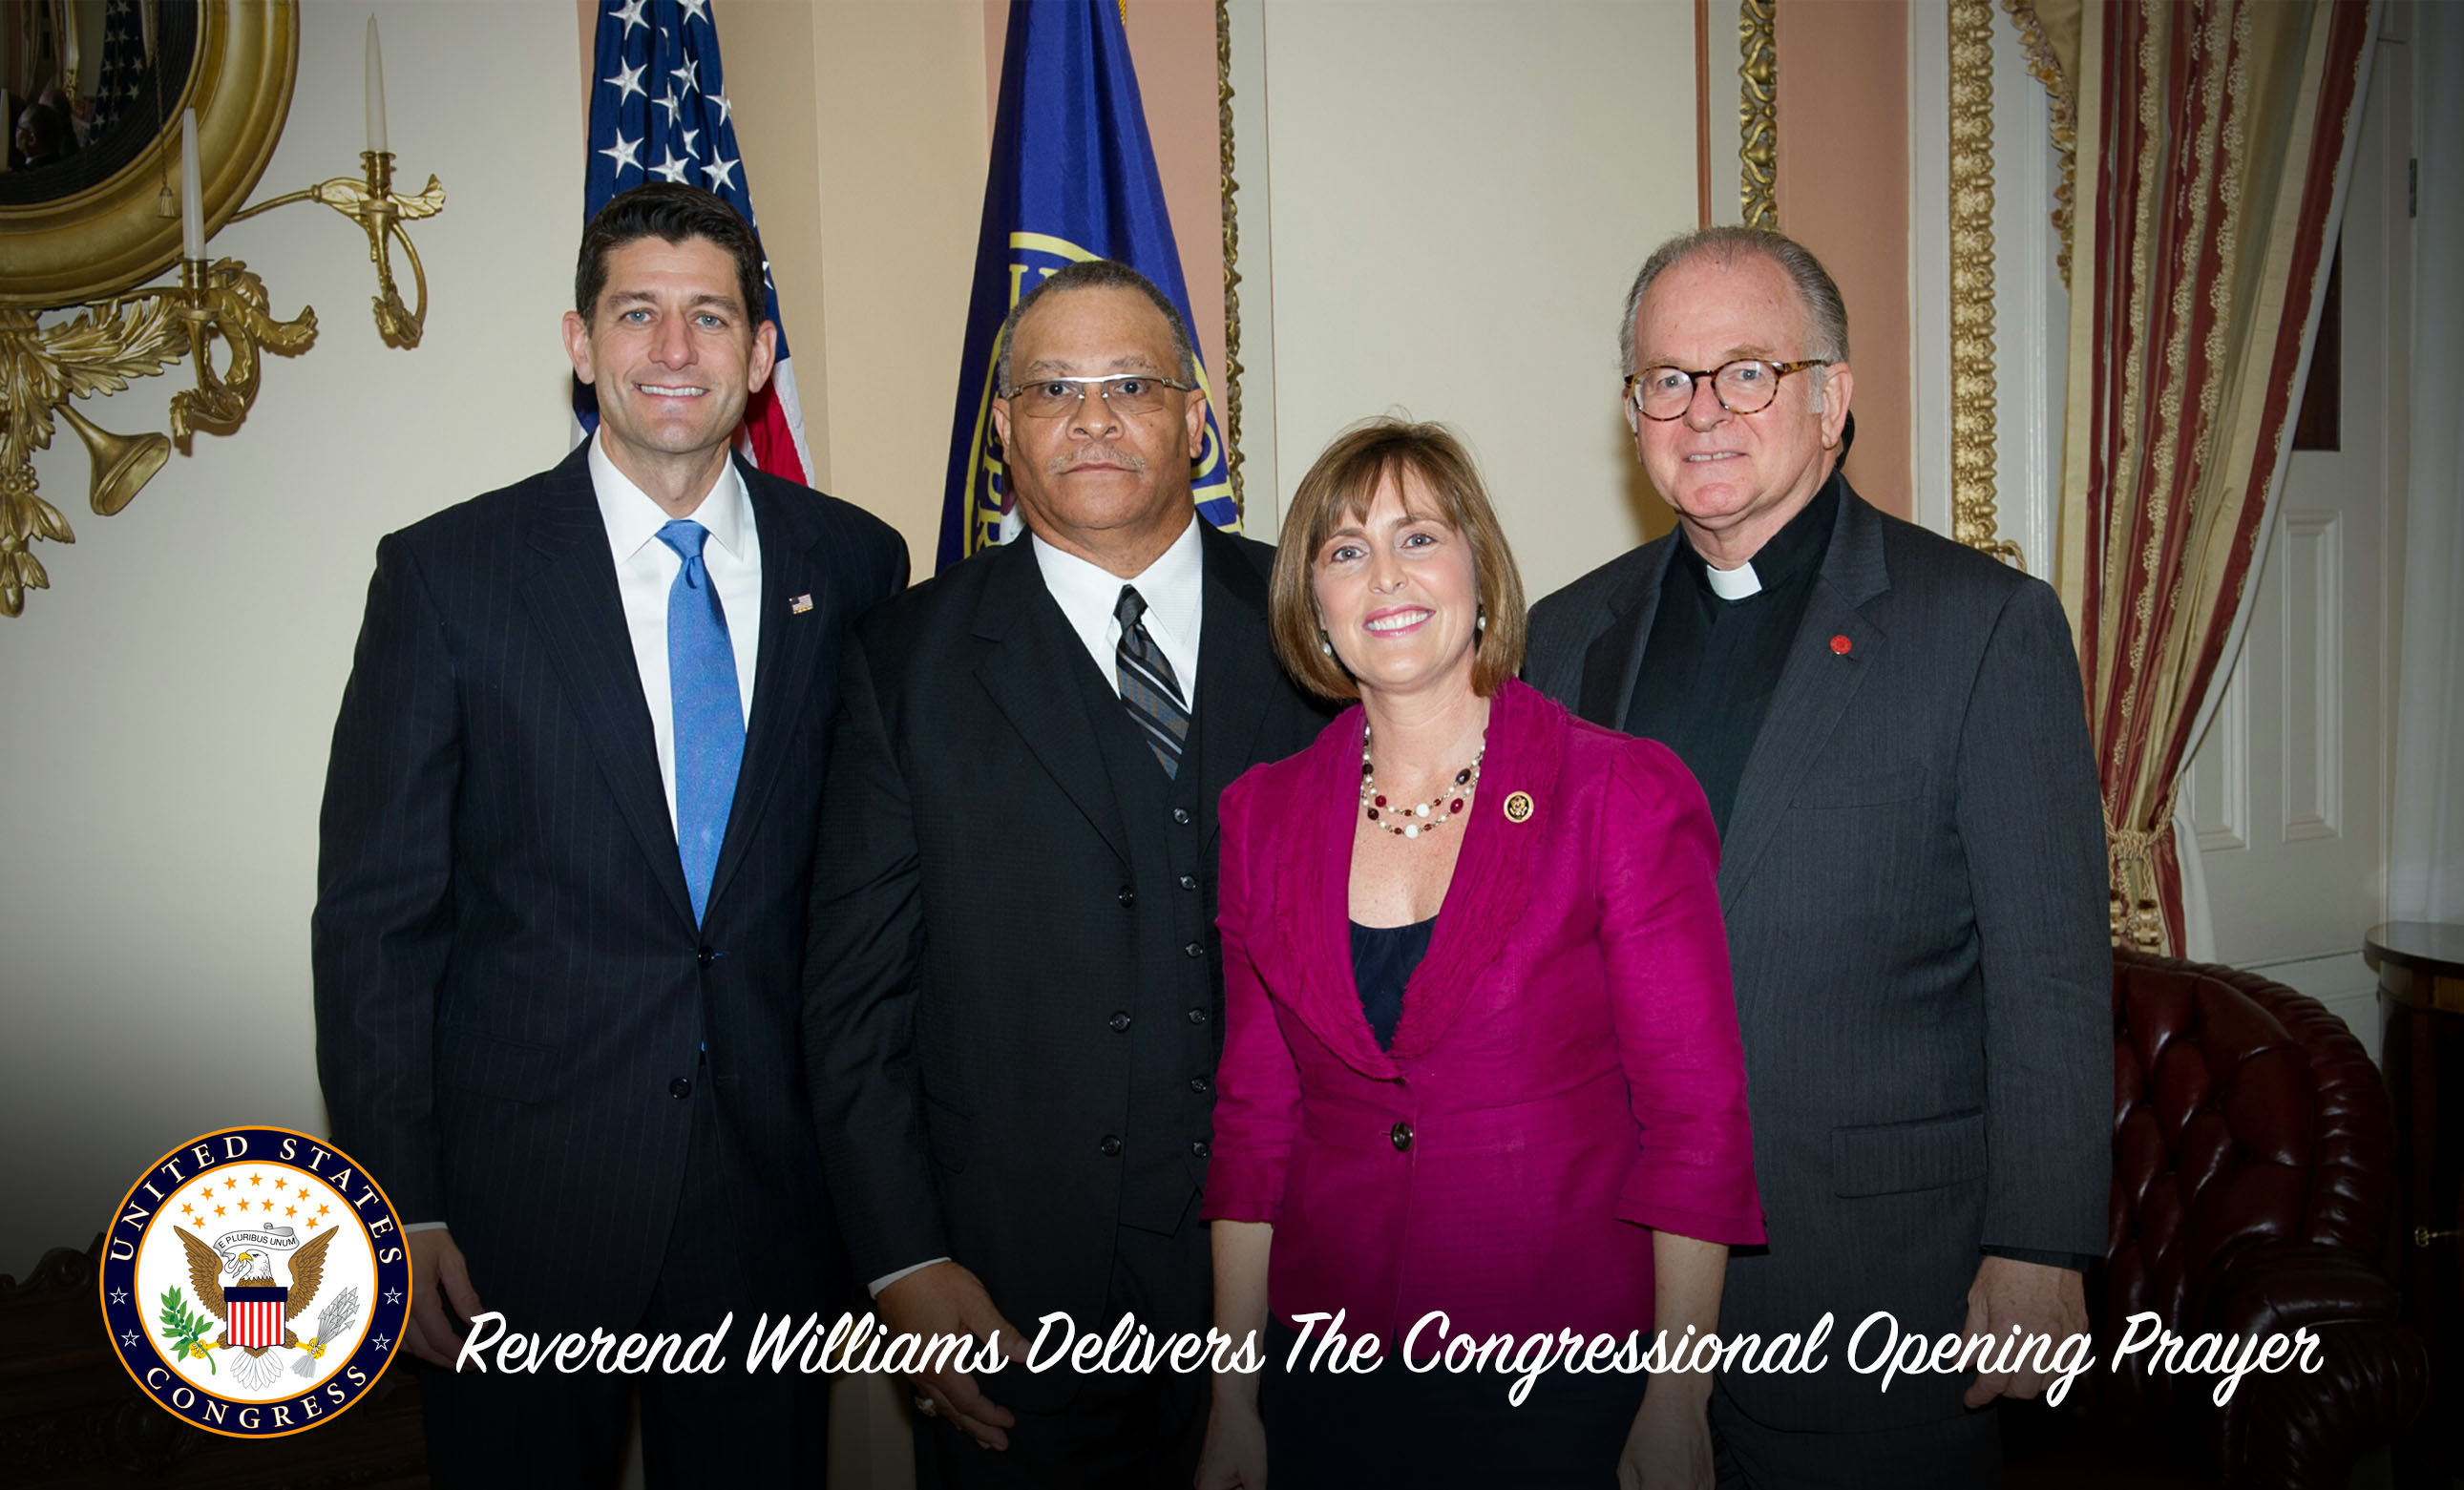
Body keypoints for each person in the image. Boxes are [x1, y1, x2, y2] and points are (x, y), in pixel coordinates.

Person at [312, 182, 906, 1486]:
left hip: (773, 1203)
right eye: (637, 313)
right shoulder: (450, 575)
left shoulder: (857, 564)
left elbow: (871, 893)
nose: (674, 351)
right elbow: (375, 921)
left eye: (709, 317)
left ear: (759, 356)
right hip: (521, 1211)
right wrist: (393, 1206)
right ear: (580, 344)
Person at [1527, 226, 2111, 1487]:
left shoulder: (1980, 627)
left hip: (1878, 1282)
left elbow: (2049, 966)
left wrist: (2040, 1245)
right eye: (1665, 380)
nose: (1702, 412)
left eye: (1748, 372)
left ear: (1831, 398)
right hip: (1611, 1288)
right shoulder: (1570, 637)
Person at [802, 258, 1332, 1488]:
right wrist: (902, 1262)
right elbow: (853, 1003)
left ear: (1195, 419)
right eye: (1052, 391)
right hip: (1011, 1310)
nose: (1093, 417)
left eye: (1131, 384)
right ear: (1004, 433)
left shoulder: (1323, 620)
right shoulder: (902, 660)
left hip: (1315, 1284)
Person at [1191, 418, 1762, 1490]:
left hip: (1567, 1383)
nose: (1385, 576)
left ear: (1480, 571)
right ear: (1313, 606)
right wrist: (1231, 1392)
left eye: (1419, 536)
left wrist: (1677, 1396)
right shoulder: (1259, 817)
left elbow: (1695, 1123)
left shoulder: (1617, 794)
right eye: (1345, 549)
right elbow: (1252, 1125)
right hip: (1332, 1383)